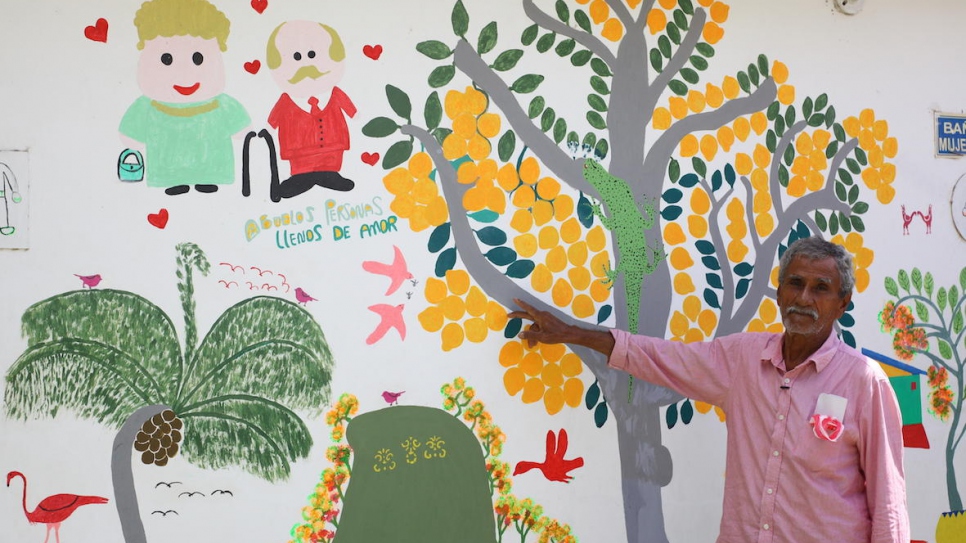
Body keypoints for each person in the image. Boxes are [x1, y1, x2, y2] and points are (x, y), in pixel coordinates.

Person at [510, 236, 909, 543]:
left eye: (820, 288)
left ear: (842, 304)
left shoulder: (863, 381)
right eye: (795, 284)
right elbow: (661, 357)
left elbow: (888, 501)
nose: (804, 298)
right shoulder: (742, 359)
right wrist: (571, 333)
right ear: (779, 291)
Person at [120, 0, 251, 196]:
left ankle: (207, 178)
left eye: (198, 58)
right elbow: (130, 132)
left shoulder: (220, 104)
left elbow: (242, 126)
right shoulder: (149, 106)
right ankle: (174, 181)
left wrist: (244, 129)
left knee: (209, 178)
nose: (184, 73)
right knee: (172, 178)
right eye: (166, 59)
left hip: (212, 169)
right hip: (167, 171)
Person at [264, 20, 356, 201]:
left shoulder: (335, 94)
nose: (306, 64)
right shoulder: (286, 101)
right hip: (299, 152)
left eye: (312, 54)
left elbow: (350, 108)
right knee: (301, 168)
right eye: (296, 57)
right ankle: (301, 179)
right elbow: (272, 120)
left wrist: (355, 114)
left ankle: (329, 176)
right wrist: (268, 128)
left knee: (330, 163)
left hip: (332, 147)